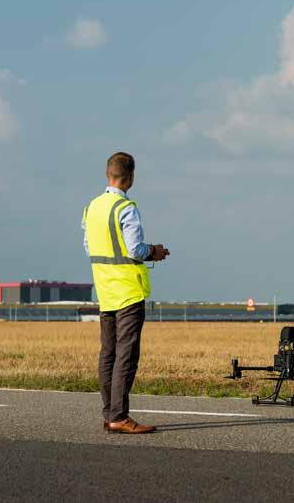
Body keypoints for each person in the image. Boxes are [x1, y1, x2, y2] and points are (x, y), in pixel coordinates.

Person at [82, 152, 169, 434]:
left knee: (108, 354)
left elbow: (89, 247)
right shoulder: (125, 208)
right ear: (130, 177)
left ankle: (110, 414)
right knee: (126, 356)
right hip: (128, 291)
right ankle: (119, 417)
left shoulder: (92, 207)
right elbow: (135, 249)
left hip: (105, 291)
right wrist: (154, 251)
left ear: (108, 174)